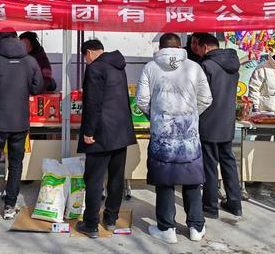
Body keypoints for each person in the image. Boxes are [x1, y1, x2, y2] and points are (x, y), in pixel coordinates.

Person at [136, 33, 212, 244]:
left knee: (164, 181)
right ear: (180, 46)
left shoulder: (151, 67)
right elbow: (206, 98)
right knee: (192, 180)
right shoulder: (194, 67)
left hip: (162, 136)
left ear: (160, 47)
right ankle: (196, 227)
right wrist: (190, 117)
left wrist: (157, 118)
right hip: (189, 136)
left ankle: (166, 228)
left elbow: (142, 100)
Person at [0, 29, 44, 224]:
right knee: (15, 163)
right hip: (20, 122)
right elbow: (38, 88)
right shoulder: (30, 61)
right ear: (17, 38)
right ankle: (10, 207)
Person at [75, 39, 136, 239]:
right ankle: (110, 218)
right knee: (116, 177)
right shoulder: (118, 66)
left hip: (101, 133)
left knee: (93, 178)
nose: (86, 61)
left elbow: (93, 103)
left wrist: (88, 132)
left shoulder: (95, 69)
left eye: (85, 57)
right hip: (120, 130)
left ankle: (91, 223)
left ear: (90, 52)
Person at [197, 33, 242, 219]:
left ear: (205, 47)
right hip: (227, 121)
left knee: (209, 164)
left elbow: (200, 96)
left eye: (198, 47)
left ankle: (210, 206)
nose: (197, 51)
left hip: (208, 120)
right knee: (228, 161)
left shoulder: (206, 66)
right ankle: (235, 203)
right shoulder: (233, 65)